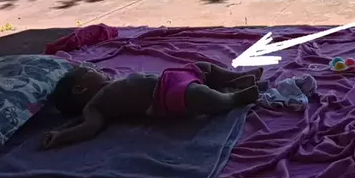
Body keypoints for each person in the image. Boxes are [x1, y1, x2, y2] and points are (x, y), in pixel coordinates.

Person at [41, 61, 263, 149]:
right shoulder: (94, 106)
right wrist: (61, 135)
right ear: (80, 89)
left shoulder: (110, 82)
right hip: (165, 97)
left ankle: (234, 78)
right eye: (91, 71)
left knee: (204, 67)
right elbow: (89, 127)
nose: (97, 69)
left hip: (171, 78)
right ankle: (231, 99)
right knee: (199, 95)